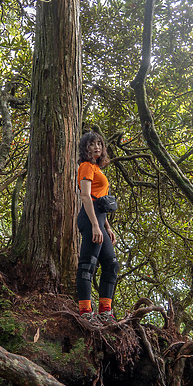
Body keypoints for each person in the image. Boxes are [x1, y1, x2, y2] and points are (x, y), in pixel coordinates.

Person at [76, 131, 119, 325]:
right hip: (89, 218)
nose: (97, 147)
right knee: (87, 266)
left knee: (111, 264)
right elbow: (86, 197)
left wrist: (107, 227)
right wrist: (95, 225)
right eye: (92, 144)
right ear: (86, 147)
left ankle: (105, 313)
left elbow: (101, 201)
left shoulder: (97, 169)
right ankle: (85, 312)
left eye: (100, 144)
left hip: (100, 220)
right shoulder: (85, 166)